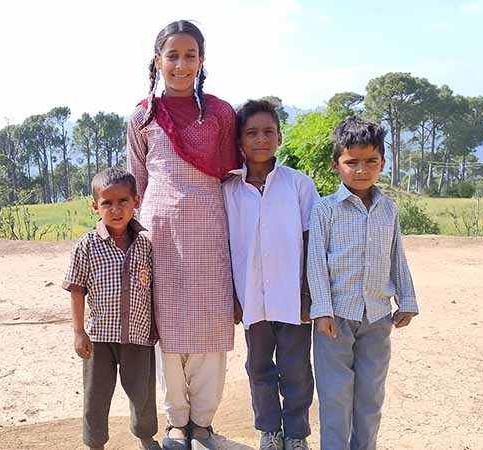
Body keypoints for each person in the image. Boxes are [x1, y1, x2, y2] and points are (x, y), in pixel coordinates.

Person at [126, 19, 243, 450]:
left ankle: (204, 423)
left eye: (189, 55)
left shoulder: (220, 114)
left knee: (212, 327)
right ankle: (177, 422)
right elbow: (136, 182)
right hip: (161, 234)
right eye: (171, 55)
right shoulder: (143, 115)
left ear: (202, 60)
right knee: (170, 327)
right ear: (157, 61)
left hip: (212, 230)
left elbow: (233, 176)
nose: (180, 64)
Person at [308, 118, 419, 450]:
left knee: (371, 396)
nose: (361, 169)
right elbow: (315, 262)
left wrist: (407, 300)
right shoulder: (325, 210)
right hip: (335, 320)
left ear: (382, 163)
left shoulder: (388, 209)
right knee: (335, 396)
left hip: (377, 317)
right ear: (336, 165)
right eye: (351, 162)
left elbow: (396, 254)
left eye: (370, 161)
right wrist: (323, 310)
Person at [222, 99, 319, 450]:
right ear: (239, 142)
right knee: (259, 367)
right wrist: (232, 296)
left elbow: (311, 241)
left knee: (296, 369)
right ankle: (269, 430)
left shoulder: (299, 185)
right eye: (251, 133)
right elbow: (226, 246)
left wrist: (309, 295)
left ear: (279, 137)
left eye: (268, 132)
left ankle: (296, 433)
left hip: (292, 298)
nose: (260, 140)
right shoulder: (229, 189)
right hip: (252, 298)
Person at [62, 167, 161, 450]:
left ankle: (145, 437)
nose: (115, 209)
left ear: (136, 202)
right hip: (99, 337)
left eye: (123, 201)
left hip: (138, 334)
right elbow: (76, 289)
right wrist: (79, 332)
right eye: (107, 202)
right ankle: (95, 443)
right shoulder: (87, 245)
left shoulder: (145, 244)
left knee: (142, 391)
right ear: (95, 207)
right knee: (96, 394)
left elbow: (154, 288)